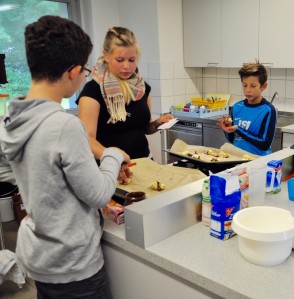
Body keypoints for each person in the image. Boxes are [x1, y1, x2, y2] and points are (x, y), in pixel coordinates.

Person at [0, 16, 129, 298]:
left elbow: (50, 184)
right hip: (73, 266)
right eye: (84, 69)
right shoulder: (63, 126)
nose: (85, 75)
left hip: (41, 256)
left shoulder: (13, 118)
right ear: (72, 71)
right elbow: (97, 194)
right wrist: (112, 155)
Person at [77, 27, 172, 182]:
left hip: (145, 164)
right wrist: (115, 158)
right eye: (120, 60)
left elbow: (144, 128)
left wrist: (157, 124)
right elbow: (87, 140)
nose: (126, 66)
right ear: (106, 56)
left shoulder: (142, 88)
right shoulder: (93, 91)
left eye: (132, 60)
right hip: (110, 171)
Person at [217, 61, 277, 156]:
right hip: (237, 159)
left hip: (257, 161)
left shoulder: (268, 110)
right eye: (245, 85)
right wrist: (227, 129)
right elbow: (232, 139)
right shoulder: (237, 107)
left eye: (253, 86)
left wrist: (238, 129)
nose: (248, 90)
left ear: (263, 86)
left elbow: (264, 144)